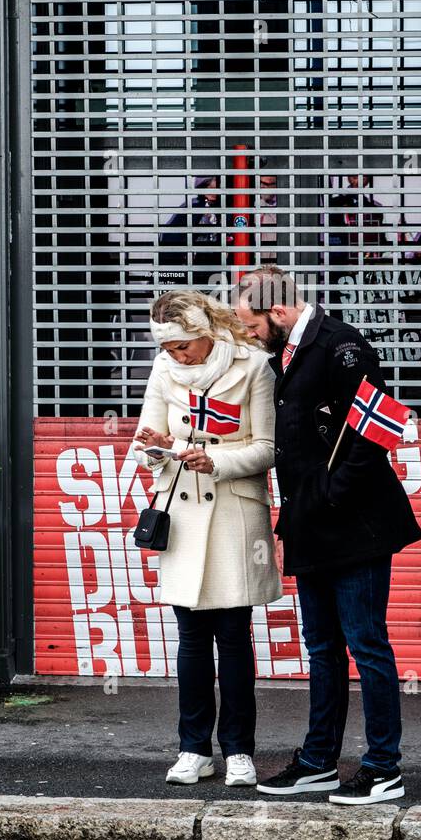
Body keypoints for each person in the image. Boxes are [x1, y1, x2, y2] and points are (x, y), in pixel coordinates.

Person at [233, 266, 421, 804]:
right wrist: (290, 520)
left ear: (278, 312)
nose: (248, 335)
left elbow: (377, 430)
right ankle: (318, 761)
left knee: (366, 644)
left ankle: (383, 768)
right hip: (311, 524)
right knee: (321, 647)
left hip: (356, 525)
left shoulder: (344, 347)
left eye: (250, 324)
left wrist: (333, 494)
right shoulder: (288, 354)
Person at [133, 289, 281, 787]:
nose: (178, 355)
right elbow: (145, 441)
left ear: (205, 331)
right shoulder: (162, 370)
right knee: (192, 639)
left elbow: (266, 449)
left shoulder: (253, 365)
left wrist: (215, 461)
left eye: (185, 345)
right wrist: (157, 451)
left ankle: (239, 749)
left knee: (235, 637)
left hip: (234, 514)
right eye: (171, 347)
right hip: (181, 511)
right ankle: (193, 748)